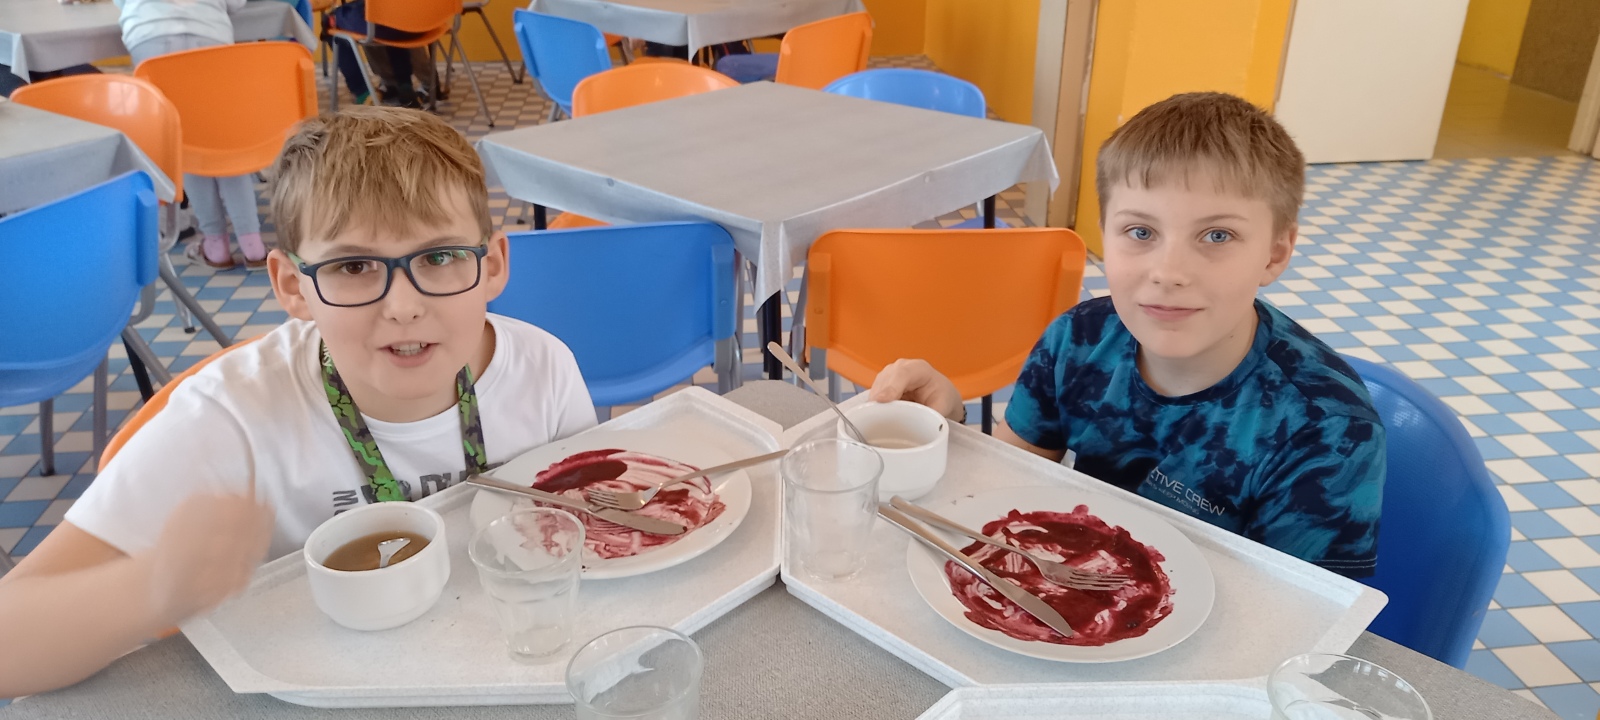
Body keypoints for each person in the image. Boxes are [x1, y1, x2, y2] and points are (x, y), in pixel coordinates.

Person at [0, 107, 597, 697]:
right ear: (292, 286)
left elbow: (591, 546)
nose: (404, 306)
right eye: (353, 266)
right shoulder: (231, 418)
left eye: (439, 257)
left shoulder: (543, 369)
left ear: (492, 265)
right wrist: (149, 588)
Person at [871, 92, 1386, 579]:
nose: (1169, 272)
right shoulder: (1078, 339)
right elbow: (1008, 481)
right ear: (1105, 234)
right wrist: (946, 430)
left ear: (1274, 253)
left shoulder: (1328, 431)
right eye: (1141, 232)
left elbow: (1298, 617)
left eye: (1217, 235)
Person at [115, 0, 268, 269]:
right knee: (226, 142)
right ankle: (253, 244)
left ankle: (215, 243)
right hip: (210, 33)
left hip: (149, 34)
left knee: (186, 145)